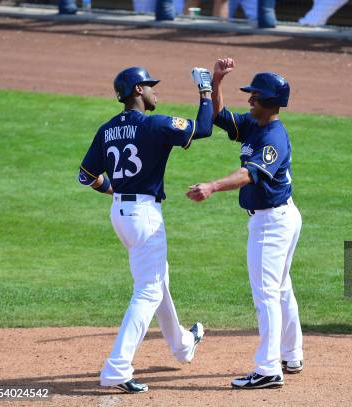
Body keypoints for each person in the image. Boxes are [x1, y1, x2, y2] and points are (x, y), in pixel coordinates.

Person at [77, 66, 213, 393]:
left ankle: (181, 343)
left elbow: (85, 175)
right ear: (138, 89)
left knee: (157, 278)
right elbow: (204, 128)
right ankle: (117, 368)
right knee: (148, 290)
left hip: (120, 215)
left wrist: (115, 189)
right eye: (151, 86)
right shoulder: (155, 124)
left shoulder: (107, 129)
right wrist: (205, 89)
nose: (155, 91)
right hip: (144, 215)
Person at [186, 58, 304, 389]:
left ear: (268, 102)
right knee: (281, 289)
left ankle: (268, 368)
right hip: (280, 217)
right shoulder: (256, 124)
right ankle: (291, 354)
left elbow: (247, 175)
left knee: (266, 294)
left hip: (272, 223)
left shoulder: (272, 137)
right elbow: (220, 116)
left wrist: (211, 186)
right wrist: (217, 81)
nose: (249, 100)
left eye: (255, 96)